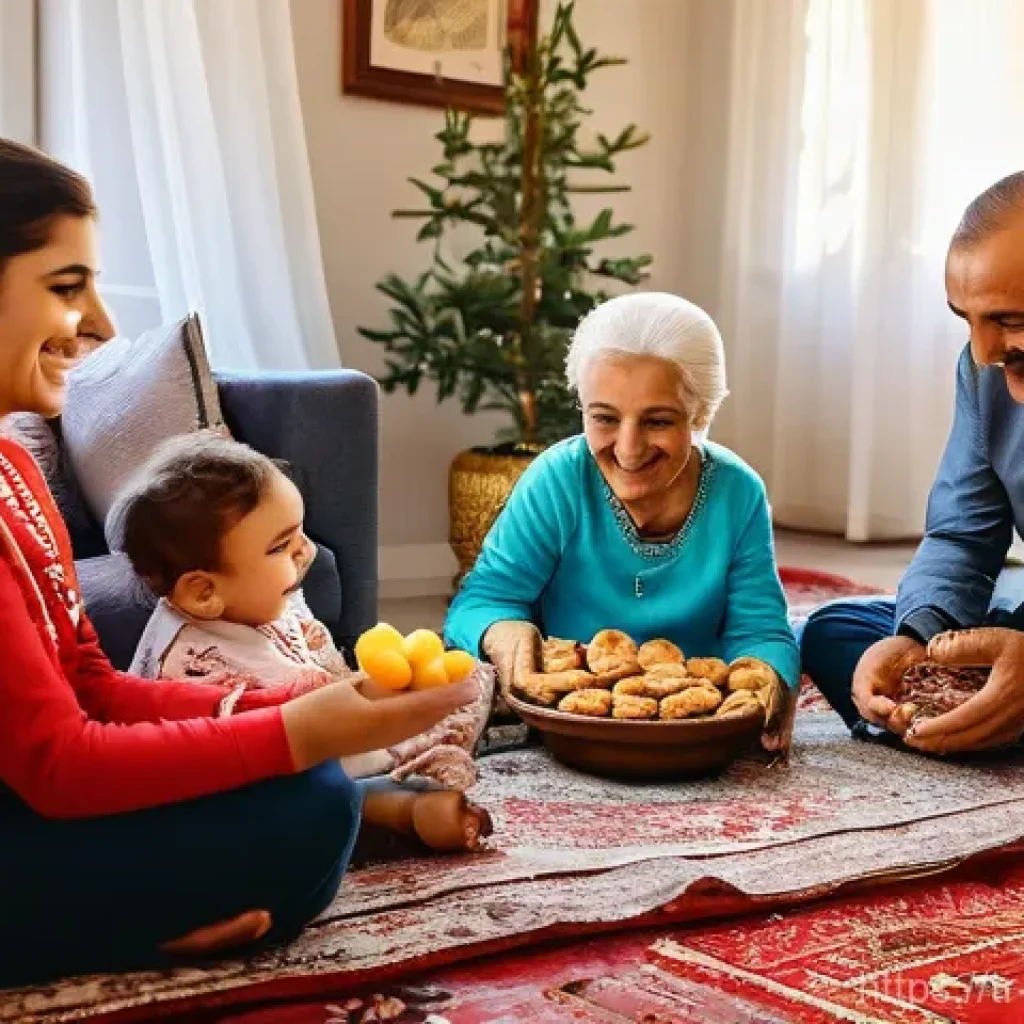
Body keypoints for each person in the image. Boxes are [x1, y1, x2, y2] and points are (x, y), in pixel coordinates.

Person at [0, 138, 480, 986]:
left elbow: (91, 685)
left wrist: (288, 703)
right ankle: (96, 931)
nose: (102, 325)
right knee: (303, 811)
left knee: (309, 793)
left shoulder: (15, 470)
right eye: (67, 288)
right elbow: (59, 765)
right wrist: (300, 733)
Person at [444, 292, 800, 745]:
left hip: (693, 728)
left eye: (658, 422)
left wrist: (768, 680)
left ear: (700, 413)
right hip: (570, 722)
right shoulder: (556, 479)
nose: (629, 450)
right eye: (605, 419)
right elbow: (480, 602)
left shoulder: (739, 491)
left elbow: (761, 630)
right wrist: (503, 633)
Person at [115, 431, 493, 792]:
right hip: (289, 771)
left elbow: (324, 665)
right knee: (451, 707)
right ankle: (394, 791)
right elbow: (287, 740)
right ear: (204, 592)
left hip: (328, 727)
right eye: (280, 546)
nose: (304, 551)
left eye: (301, 531)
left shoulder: (258, 599)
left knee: (471, 678)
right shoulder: (197, 666)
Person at [801, 170, 1024, 757]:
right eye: (967, 320)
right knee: (835, 632)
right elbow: (960, 534)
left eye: (1011, 321)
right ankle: (973, 717)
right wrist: (917, 635)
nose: (983, 352)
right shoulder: (985, 373)